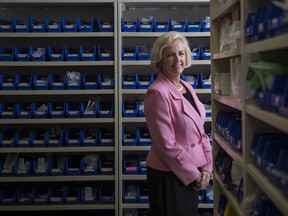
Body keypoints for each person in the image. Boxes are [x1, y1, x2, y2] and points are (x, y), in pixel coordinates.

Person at [144, 31, 213, 216]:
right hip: (169, 176)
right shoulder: (157, 92)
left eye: (181, 53)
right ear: (160, 60)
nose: (177, 59)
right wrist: (194, 174)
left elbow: (201, 132)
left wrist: (207, 167)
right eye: (170, 55)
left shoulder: (187, 87)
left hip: (192, 173)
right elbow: (166, 144)